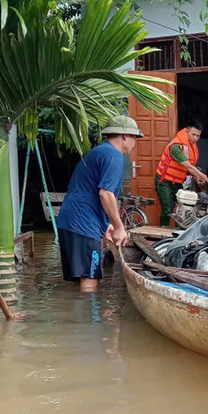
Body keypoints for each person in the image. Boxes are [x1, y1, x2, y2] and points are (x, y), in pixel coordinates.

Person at [57, 115, 141, 292]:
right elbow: (105, 194)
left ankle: (77, 310)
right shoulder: (114, 156)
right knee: (90, 278)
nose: (135, 143)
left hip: (69, 220)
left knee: (79, 278)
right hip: (83, 223)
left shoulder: (99, 152)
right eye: (135, 137)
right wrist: (119, 227)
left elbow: (89, 191)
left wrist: (106, 224)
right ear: (125, 136)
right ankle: (90, 311)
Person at [154, 120, 208, 226]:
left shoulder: (192, 147)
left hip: (178, 183)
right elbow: (189, 166)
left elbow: (188, 169)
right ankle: (162, 231)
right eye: (193, 134)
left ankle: (178, 233)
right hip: (164, 182)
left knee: (180, 210)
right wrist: (206, 178)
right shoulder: (176, 146)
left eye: (198, 136)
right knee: (167, 210)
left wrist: (197, 179)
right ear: (187, 131)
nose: (195, 138)